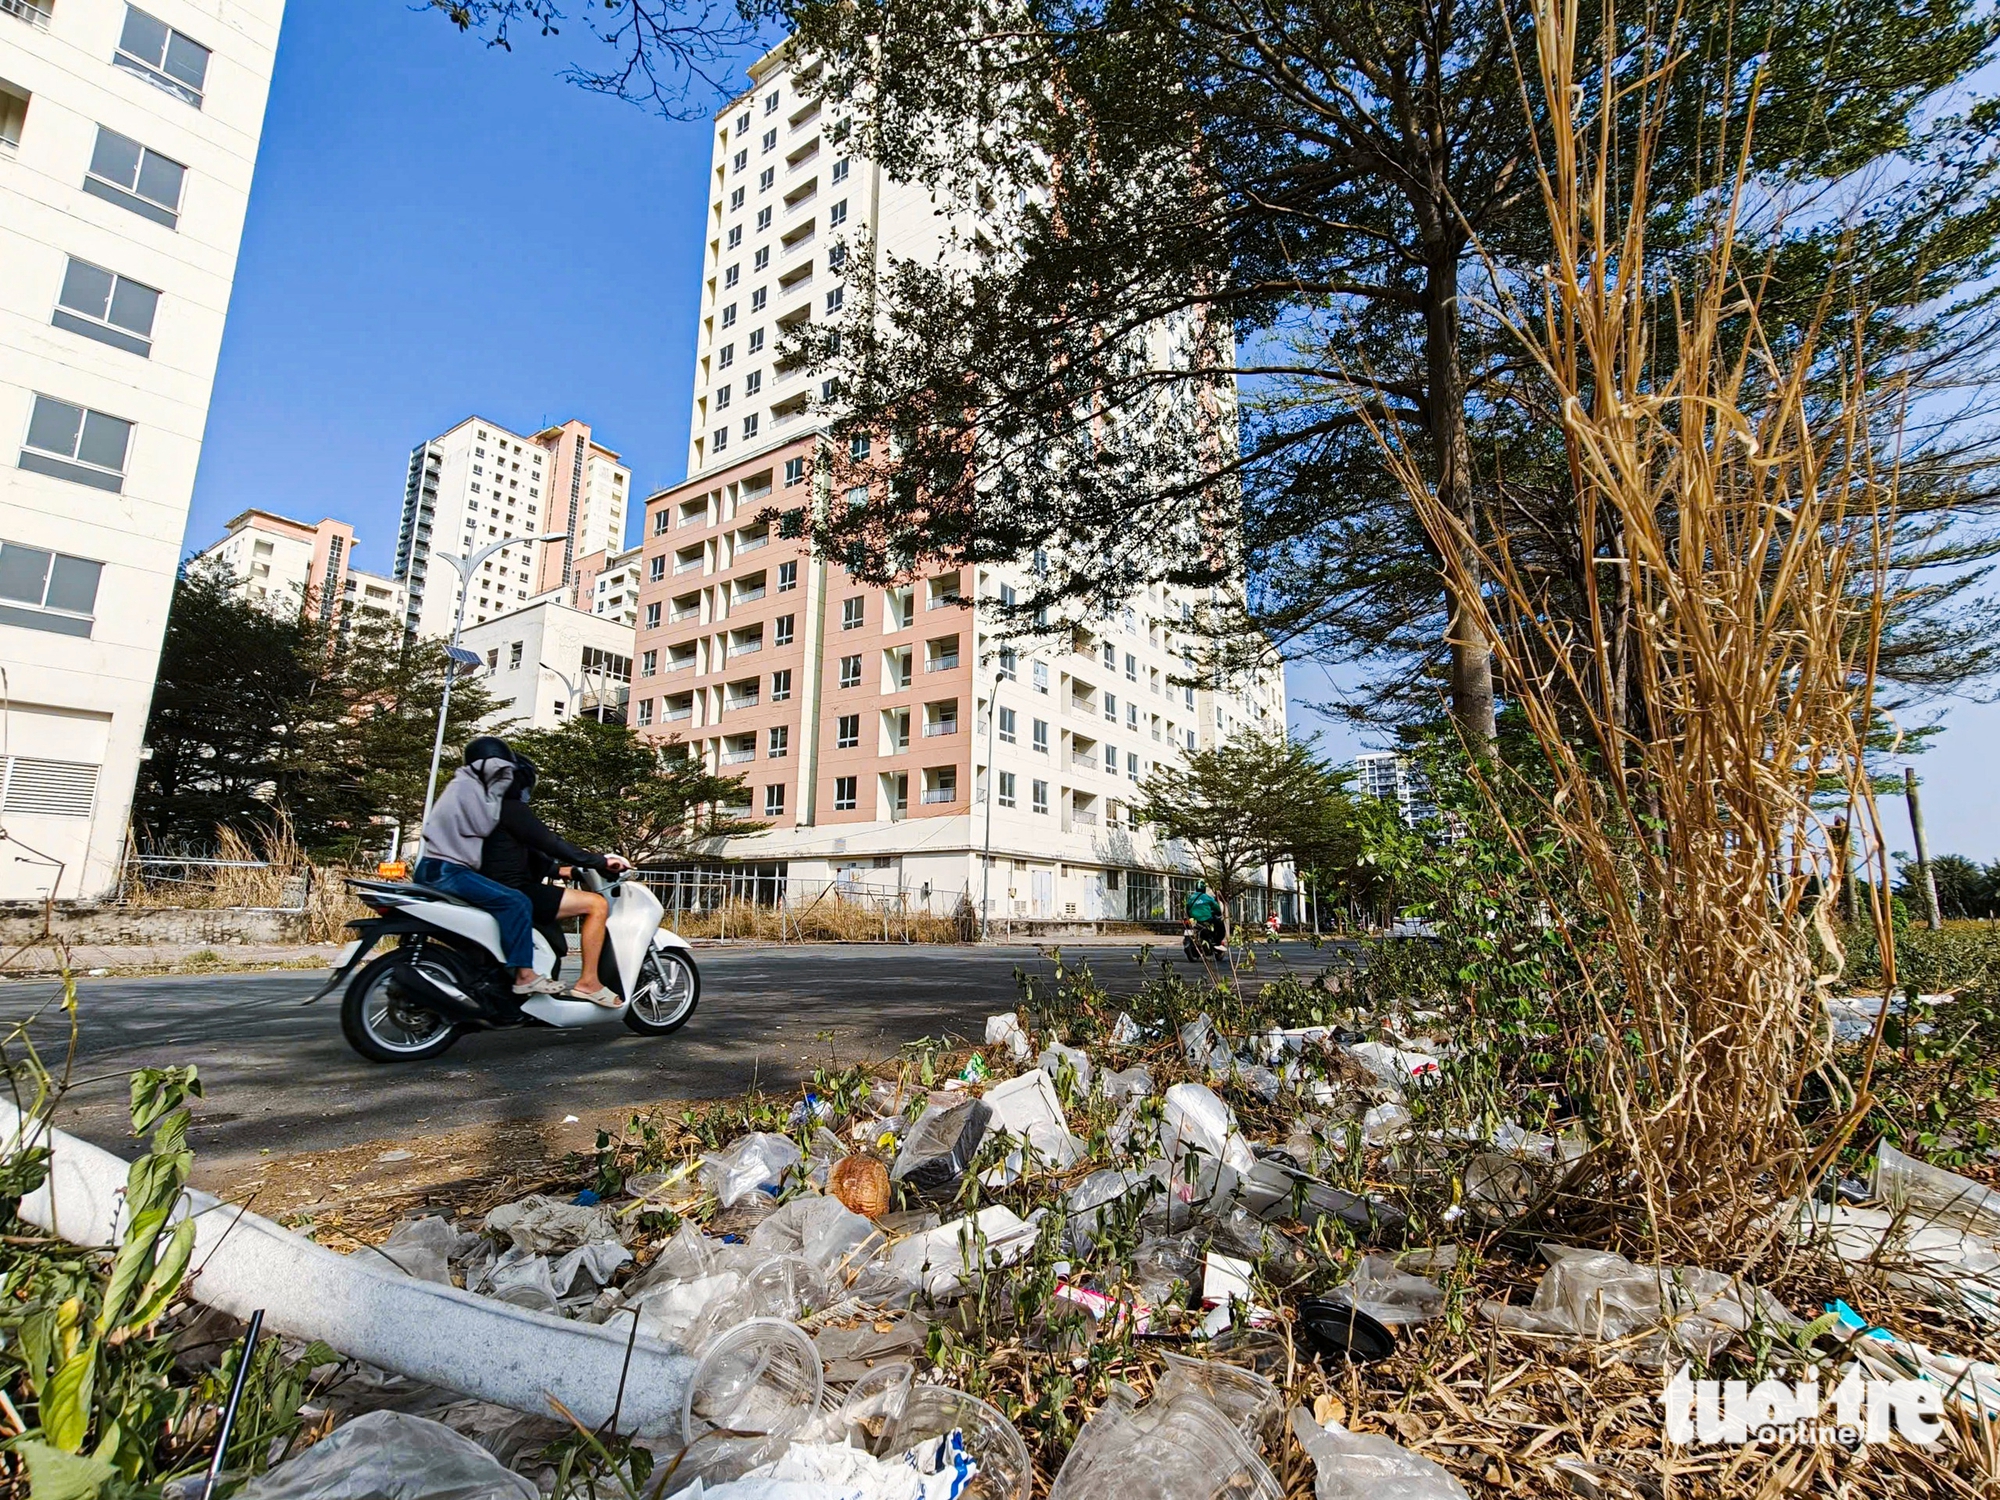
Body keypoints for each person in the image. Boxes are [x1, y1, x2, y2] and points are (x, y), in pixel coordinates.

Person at [414, 736, 567, 996]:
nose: (506, 777)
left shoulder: (461, 785)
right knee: (517, 902)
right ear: (488, 765)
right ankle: (524, 976)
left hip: (438, 867)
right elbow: (483, 825)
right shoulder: (468, 788)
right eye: (501, 771)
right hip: (447, 870)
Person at [480, 751, 632, 1007]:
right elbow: (551, 844)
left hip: (488, 887)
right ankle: (589, 983)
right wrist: (600, 862)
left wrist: (568, 871)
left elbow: (525, 856)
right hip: (515, 890)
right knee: (597, 905)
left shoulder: (486, 810)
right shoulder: (512, 809)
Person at [1187, 878, 1227, 952]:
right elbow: (1217, 908)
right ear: (1204, 888)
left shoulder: (1190, 897)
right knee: (1220, 923)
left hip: (1193, 920)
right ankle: (1217, 942)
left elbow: (1187, 908)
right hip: (1206, 919)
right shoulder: (1207, 897)